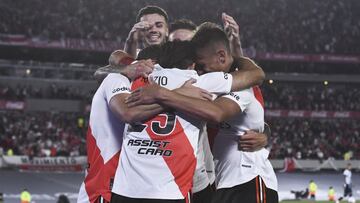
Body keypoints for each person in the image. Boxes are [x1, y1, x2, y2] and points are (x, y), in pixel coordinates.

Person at [125, 23, 277, 203]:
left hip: (247, 179)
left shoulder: (238, 84)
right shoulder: (193, 81)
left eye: (201, 65)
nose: (197, 70)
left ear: (220, 56)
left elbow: (219, 112)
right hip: (213, 181)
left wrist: (162, 94)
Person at [77, 59, 154, 203]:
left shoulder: (153, 81)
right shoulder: (118, 78)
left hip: (130, 182)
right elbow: (100, 72)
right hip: (104, 182)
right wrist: (167, 100)